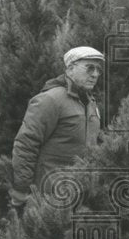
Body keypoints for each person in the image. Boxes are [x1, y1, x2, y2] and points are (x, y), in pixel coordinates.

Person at [10, 45, 104, 217]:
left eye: (98, 69)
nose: (95, 74)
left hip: (82, 198)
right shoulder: (50, 100)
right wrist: (21, 191)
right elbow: (26, 145)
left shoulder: (90, 103)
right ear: (70, 68)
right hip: (48, 199)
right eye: (89, 67)